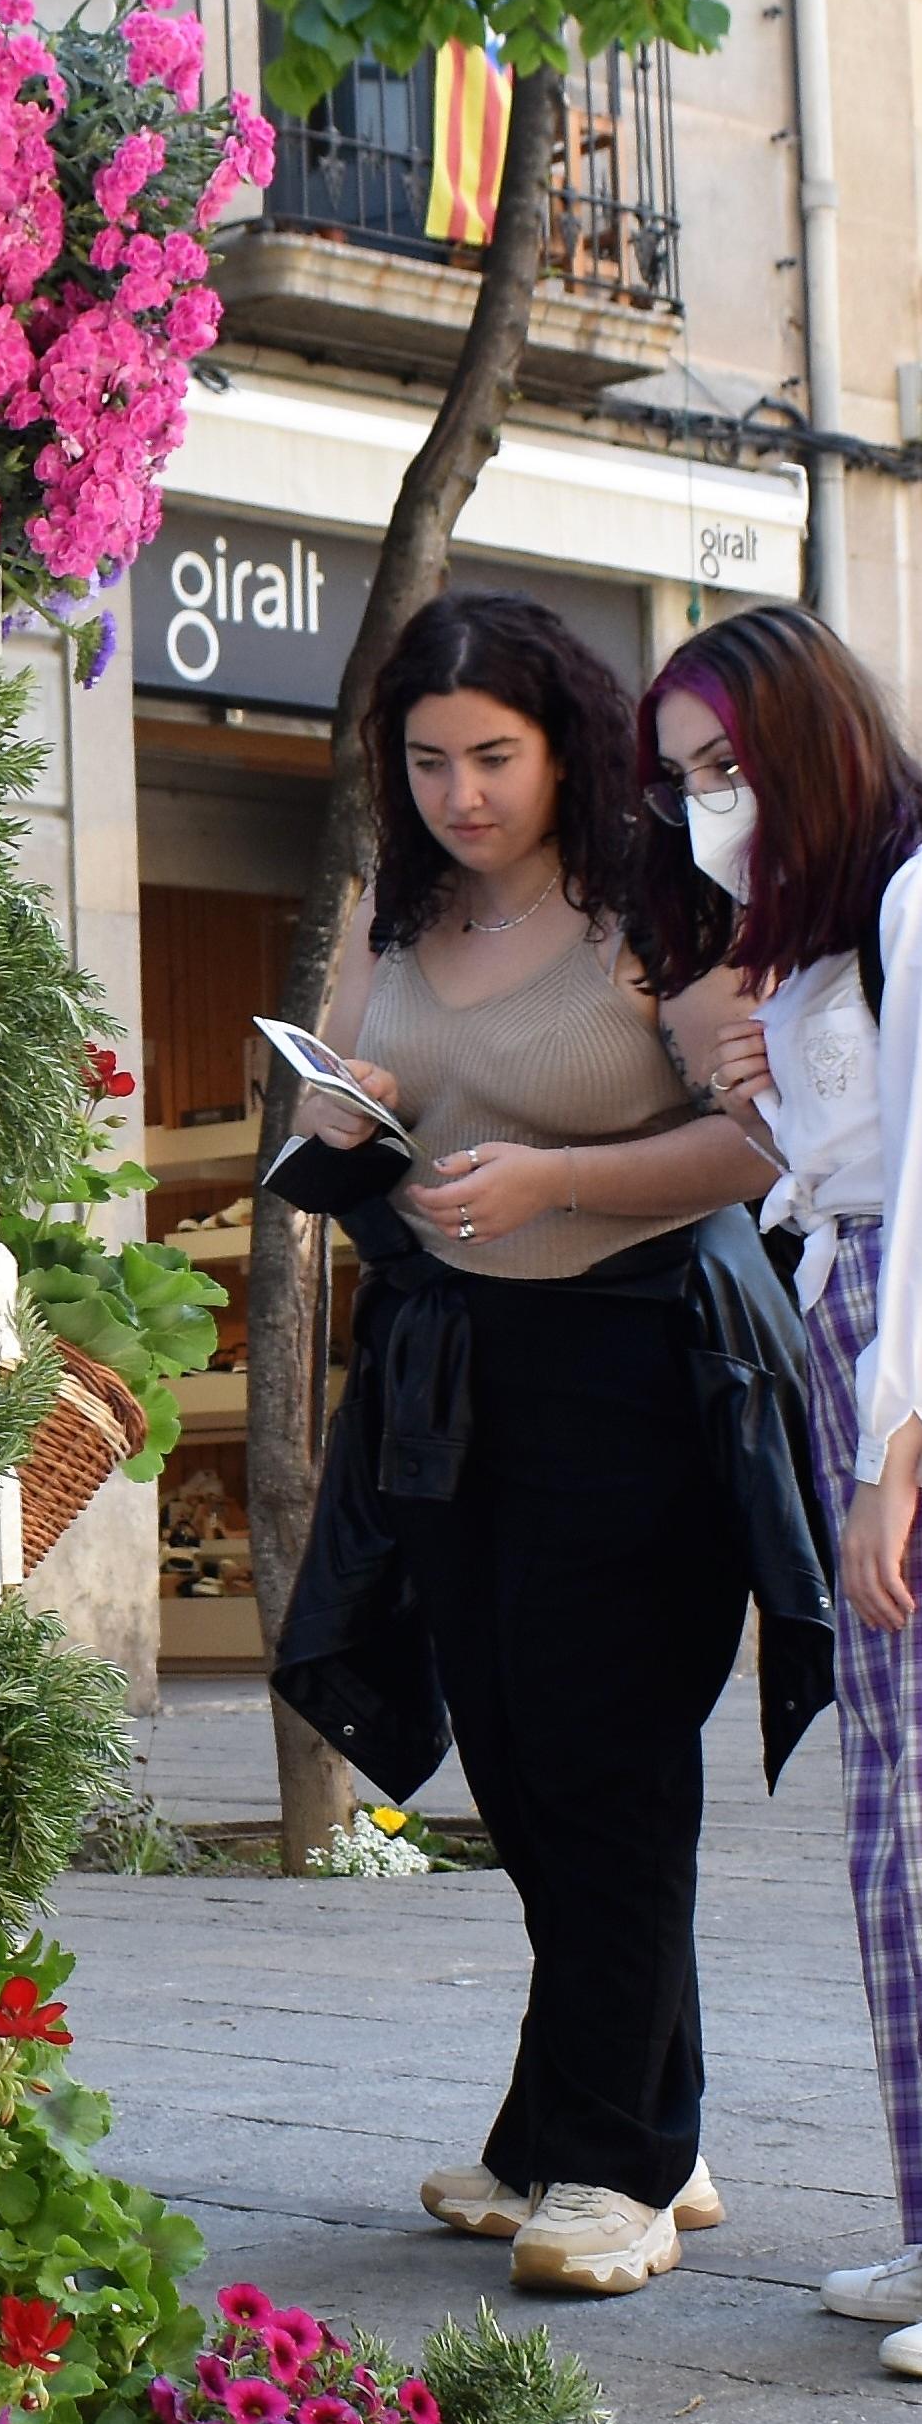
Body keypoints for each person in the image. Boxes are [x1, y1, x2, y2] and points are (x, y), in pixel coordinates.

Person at [271, 592, 833, 2299]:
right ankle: (582, 2120)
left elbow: (757, 1144)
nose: (459, 792)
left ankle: (621, 2166)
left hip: (637, 1359)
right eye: (427, 758)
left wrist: (556, 1179)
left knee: (603, 1751)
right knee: (511, 1749)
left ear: (563, 744)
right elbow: (373, 1105)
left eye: (492, 757)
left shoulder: (654, 909)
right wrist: (335, 1121)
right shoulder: (396, 906)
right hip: (449, 1371)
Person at [637, 602, 922, 2376]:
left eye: (725, 769)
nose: (700, 808)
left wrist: (895, 1449)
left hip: (901, 1358)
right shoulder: (820, 942)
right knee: (887, 1820)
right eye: (680, 781)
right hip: (852, 1331)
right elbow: (825, 1181)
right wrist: (748, 1083)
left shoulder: (905, 901)